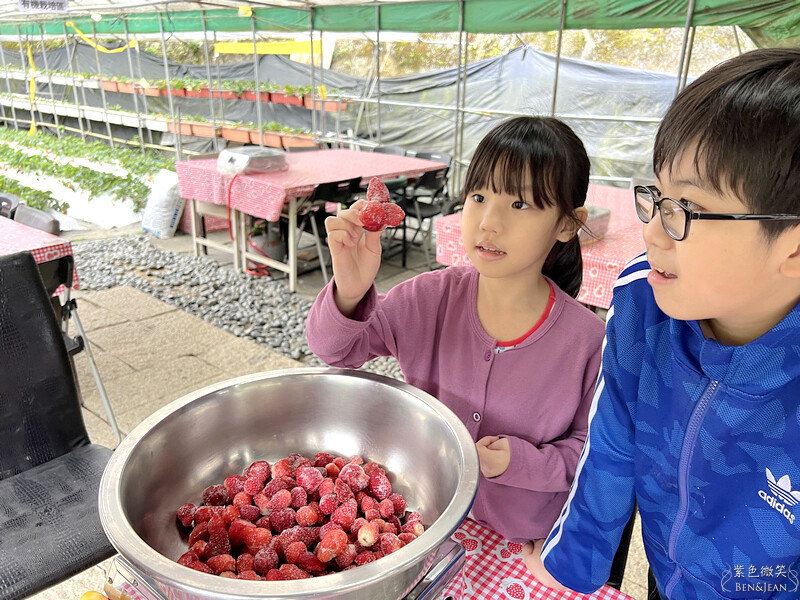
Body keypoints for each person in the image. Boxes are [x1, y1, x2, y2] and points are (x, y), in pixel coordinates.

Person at [525, 48, 800, 599]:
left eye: (687, 210)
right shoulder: (642, 302)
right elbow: (611, 443)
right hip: (667, 567)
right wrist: (570, 562)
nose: (651, 230)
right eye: (658, 196)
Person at [306, 116, 605, 545]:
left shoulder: (587, 340)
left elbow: (591, 452)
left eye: (519, 205)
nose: (488, 222)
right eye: (479, 196)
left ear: (567, 224)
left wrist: (521, 462)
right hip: (427, 522)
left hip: (523, 544)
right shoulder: (429, 298)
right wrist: (350, 291)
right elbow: (336, 350)